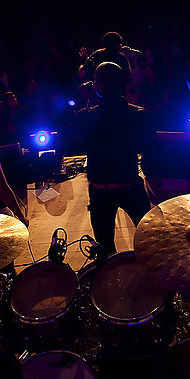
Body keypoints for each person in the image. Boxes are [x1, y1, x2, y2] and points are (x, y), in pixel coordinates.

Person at [68, 62, 155, 254]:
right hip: (130, 186)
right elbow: (149, 148)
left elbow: (73, 144)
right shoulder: (138, 114)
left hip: (101, 191)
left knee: (106, 250)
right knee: (150, 242)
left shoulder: (86, 117)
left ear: (96, 86)